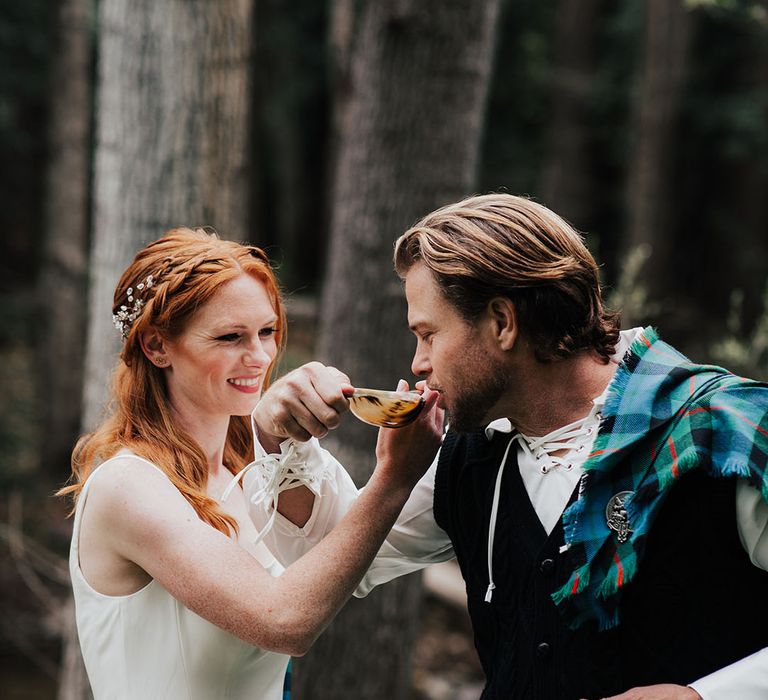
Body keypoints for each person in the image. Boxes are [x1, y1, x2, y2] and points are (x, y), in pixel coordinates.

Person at [252, 194, 768, 700]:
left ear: (502, 323)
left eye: (428, 334)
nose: (418, 364)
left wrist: (704, 696)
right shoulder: (467, 456)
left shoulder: (719, 430)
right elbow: (333, 555)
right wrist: (280, 440)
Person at [57, 228, 443, 699]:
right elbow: (283, 621)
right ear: (157, 347)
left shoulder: (252, 477)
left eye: (267, 331)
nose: (259, 357)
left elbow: (382, 543)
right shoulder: (128, 485)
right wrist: (392, 477)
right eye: (229, 337)